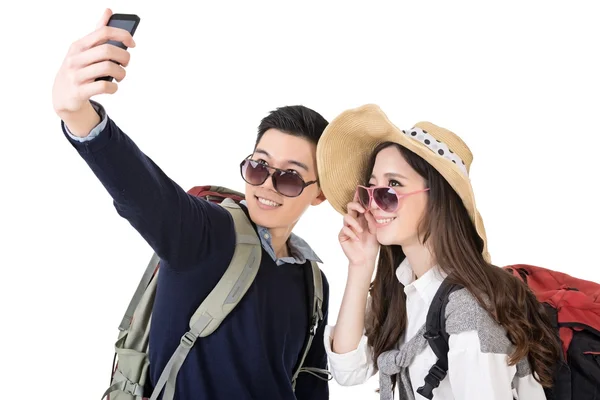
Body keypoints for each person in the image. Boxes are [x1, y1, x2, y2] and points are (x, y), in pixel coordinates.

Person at [52, 9, 331, 400]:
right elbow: (144, 191)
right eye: (258, 166)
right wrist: (77, 114)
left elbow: (309, 382)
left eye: (289, 176)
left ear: (319, 193)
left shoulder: (314, 283)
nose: (266, 184)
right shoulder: (208, 235)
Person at [315, 104, 561, 399]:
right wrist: (361, 264)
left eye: (393, 186)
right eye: (371, 189)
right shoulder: (406, 288)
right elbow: (347, 370)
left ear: (437, 198)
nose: (375, 202)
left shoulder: (469, 310)